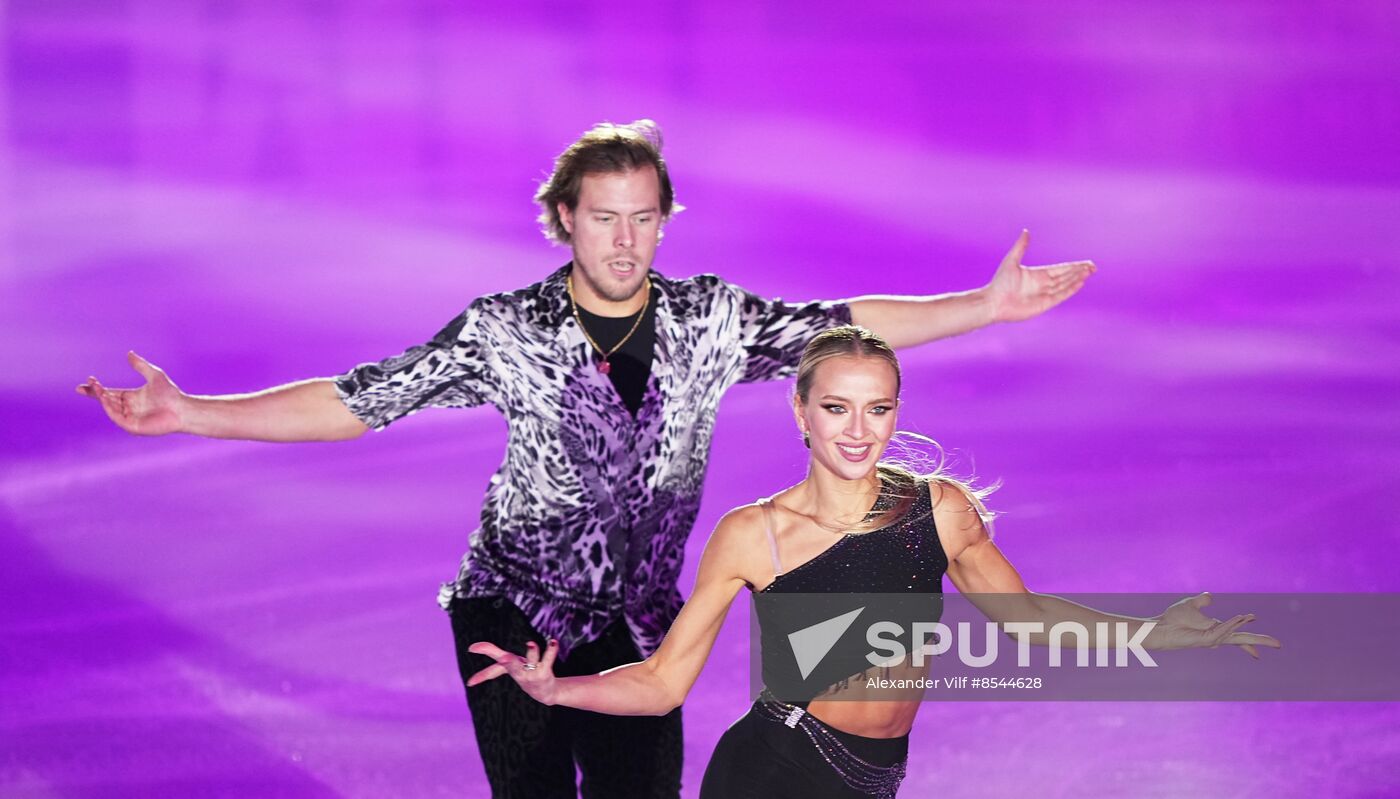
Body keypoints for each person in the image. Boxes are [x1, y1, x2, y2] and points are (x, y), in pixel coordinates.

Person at [76, 120, 1097, 798]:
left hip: (642, 615)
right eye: (602, 216)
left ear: (661, 219)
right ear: (564, 216)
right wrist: (193, 413)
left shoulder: (708, 319)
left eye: (641, 217)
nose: (622, 240)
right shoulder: (504, 330)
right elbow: (357, 402)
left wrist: (984, 304)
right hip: (512, 603)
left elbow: (843, 324)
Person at [466, 325, 1281, 799]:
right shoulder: (757, 534)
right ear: (802, 412)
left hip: (876, 776)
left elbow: (1029, 620)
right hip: (776, 766)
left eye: (878, 408)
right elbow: (663, 683)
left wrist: (1160, 635)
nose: (858, 430)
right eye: (836, 408)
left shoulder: (939, 510)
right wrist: (555, 687)